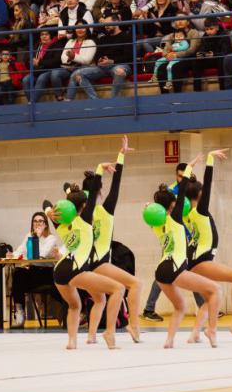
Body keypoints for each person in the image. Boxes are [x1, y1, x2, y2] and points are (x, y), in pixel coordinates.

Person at [147, 158, 220, 348]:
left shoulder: (155, 223)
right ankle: (211, 330)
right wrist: (189, 168)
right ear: (172, 206)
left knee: (180, 307)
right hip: (176, 268)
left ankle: (169, 341)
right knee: (215, 291)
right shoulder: (177, 218)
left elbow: (161, 204)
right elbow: (182, 190)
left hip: (161, 271)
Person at [46, 181, 124, 350]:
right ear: (83, 207)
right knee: (118, 289)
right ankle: (109, 333)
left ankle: (71, 342)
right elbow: (94, 192)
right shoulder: (85, 221)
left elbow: (45, 203)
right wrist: (100, 170)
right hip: (76, 269)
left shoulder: (59, 223)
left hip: (59, 270)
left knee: (74, 306)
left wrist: (49, 211)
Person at [80, 136, 141, 342]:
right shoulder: (105, 211)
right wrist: (121, 156)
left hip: (83, 267)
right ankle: (131, 326)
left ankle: (91, 337)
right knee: (134, 285)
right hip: (99, 262)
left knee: (99, 299)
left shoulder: (81, 214)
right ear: (100, 191)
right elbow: (117, 185)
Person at [184, 150, 232, 343]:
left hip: (194, 261)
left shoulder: (185, 213)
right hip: (201, 261)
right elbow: (208, 181)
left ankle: (196, 332)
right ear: (201, 194)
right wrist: (210, 159)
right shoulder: (200, 211)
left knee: (212, 296)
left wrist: (190, 166)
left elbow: (180, 187)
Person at [8, 211, 61, 329]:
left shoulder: (51, 238)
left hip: (46, 274)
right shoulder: (29, 236)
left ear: (46, 224)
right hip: (33, 271)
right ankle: (20, 313)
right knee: (18, 274)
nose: (37, 224)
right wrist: (13, 254)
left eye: (40, 221)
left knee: (22, 275)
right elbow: (20, 250)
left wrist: (36, 237)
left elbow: (41, 255)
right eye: (35, 221)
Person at [66, 15, 132, 100]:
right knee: (77, 74)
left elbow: (129, 57)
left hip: (120, 65)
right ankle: (95, 100)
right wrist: (99, 60)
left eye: (108, 24)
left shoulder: (126, 37)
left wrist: (112, 61)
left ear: (116, 22)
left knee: (119, 71)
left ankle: (114, 101)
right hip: (103, 67)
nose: (106, 26)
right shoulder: (103, 38)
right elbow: (97, 55)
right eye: (105, 24)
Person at [52, 22, 96, 101]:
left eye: (82, 28)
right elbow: (63, 57)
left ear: (87, 29)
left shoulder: (91, 42)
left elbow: (87, 60)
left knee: (76, 74)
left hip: (83, 67)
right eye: (78, 28)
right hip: (69, 67)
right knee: (55, 73)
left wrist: (73, 56)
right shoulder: (70, 41)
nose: (80, 30)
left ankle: (69, 100)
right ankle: (59, 97)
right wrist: (70, 58)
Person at [21, 29, 65, 103]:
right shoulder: (36, 46)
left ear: (50, 36)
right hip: (36, 71)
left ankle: (32, 104)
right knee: (25, 80)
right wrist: (31, 62)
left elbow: (56, 61)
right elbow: (27, 58)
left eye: (46, 34)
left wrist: (40, 62)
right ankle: (32, 102)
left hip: (48, 70)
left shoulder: (56, 45)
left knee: (41, 78)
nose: (44, 36)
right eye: (42, 35)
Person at [190, 17, 232, 91]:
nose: (208, 32)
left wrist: (214, 54)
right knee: (195, 61)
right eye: (206, 29)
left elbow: (226, 51)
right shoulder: (205, 36)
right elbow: (202, 48)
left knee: (221, 60)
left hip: (219, 58)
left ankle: (223, 90)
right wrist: (200, 53)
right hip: (209, 58)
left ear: (217, 28)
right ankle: (197, 91)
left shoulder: (224, 35)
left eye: (211, 29)